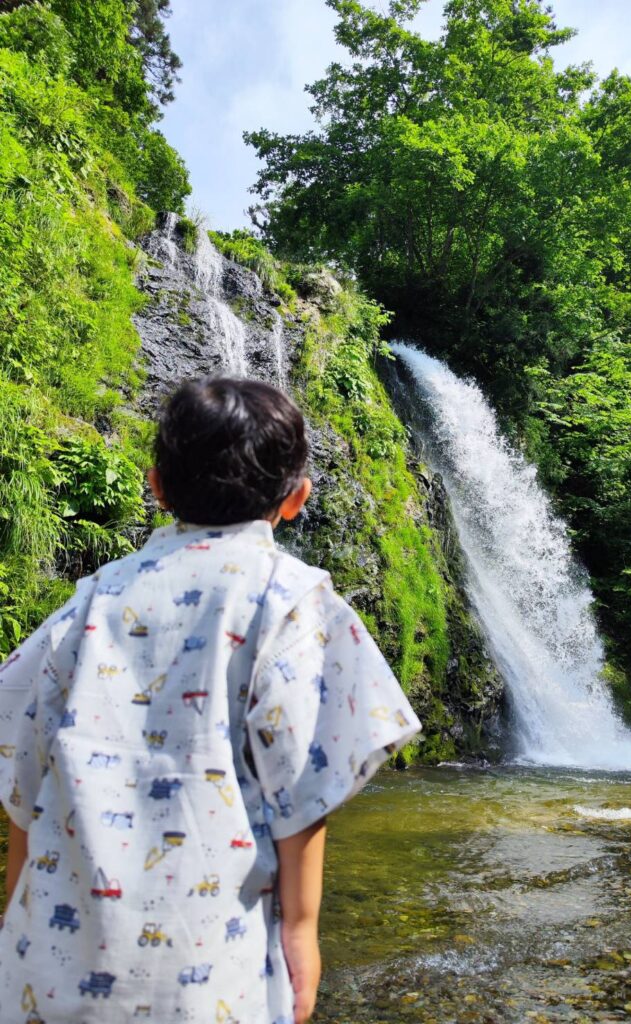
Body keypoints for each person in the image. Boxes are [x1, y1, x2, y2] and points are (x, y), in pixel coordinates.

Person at [0, 377, 421, 1024]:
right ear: (297, 499)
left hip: (55, 966)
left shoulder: (91, 601)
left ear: (156, 485)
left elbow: (23, 785)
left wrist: (15, 917)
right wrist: (303, 930)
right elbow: (302, 789)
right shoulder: (290, 601)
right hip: (209, 969)